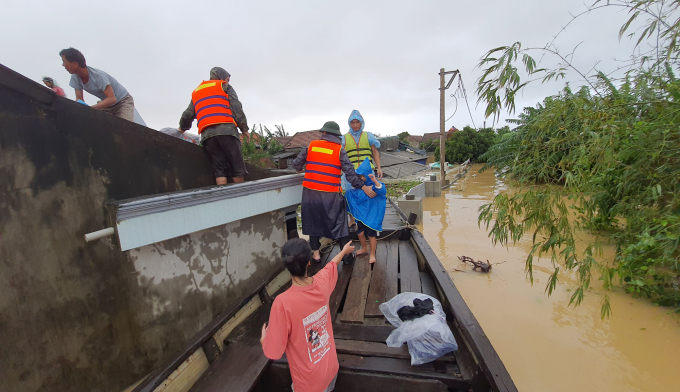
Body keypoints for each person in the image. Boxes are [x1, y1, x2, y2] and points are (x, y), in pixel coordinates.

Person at [261, 238, 355, 392]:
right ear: (309, 261)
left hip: (309, 384)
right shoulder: (321, 283)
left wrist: (264, 340)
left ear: (286, 265)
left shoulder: (283, 303)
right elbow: (331, 265)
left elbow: (273, 351)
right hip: (331, 368)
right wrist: (344, 251)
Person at [293, 121, 376, 263]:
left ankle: (316, 255)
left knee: (313, 223)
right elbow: (350, 175)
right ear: (337, 136)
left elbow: (296, 165)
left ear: (323, 133)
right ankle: (347, 257)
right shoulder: (339, 150)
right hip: (330, 195)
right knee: (340, 224)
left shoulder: (311, 146)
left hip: (310, 194)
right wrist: (363, 186)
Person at [179, 67, 250, 184]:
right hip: (227, 132)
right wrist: (244, 128)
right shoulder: (225, 86)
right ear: (222, 77)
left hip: (208, 136)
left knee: (219, 170)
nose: (228, 81)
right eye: (227, 79)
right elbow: (236, 107)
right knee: (237, 168)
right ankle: (240, 199)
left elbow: (188, 114)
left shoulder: (197, 92)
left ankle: (223, 199)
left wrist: (182, 128)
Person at [59, 47, 135, 121]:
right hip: (107, 104)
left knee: (126, 128)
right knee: (94, 122)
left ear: (75, 64)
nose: (63, 65)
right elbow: (79, 100)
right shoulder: (75, 77)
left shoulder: (98, 76)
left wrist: (92, 108)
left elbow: (112, 99)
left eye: (64, 61)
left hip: (122, 101)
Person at [341, 110, 383, 227]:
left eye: (357, 122)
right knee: (351, 194)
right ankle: (352, 219)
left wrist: (379, 167)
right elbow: (340, 156)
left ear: (362, 123)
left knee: (370, 192)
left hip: (368, 170)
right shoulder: (344, 138)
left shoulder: (368, 136)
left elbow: (375, 152)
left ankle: (368, 217)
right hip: (351, 172)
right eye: (353, 123)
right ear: (349, 124)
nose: (355, 125)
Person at [345, 158, 387, 264]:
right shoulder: (359, 188)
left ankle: (372, 253)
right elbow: (350, 195)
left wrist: (375, 181)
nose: (361, 178)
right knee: (360, 233)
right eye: (359, 176)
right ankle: (364, 248)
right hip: (361, 218)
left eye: (363, 176)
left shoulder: (375, 187)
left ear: (368, 175)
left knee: (371, 235)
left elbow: (382, 190)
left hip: (371, 218)